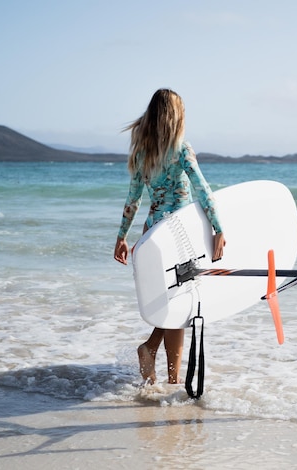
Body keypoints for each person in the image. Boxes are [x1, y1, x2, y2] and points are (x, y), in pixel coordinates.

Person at [114, 89, 226, 385]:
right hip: (179, 234)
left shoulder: (142, 152)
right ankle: (151, 352)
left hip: (153, 233)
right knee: (178, 303)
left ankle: (172, 378)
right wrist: (218, 227)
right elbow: (202, 188)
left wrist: (122, 237)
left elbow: (133, 199)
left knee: (174, 304)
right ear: (176, 116)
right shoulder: (182, 149)